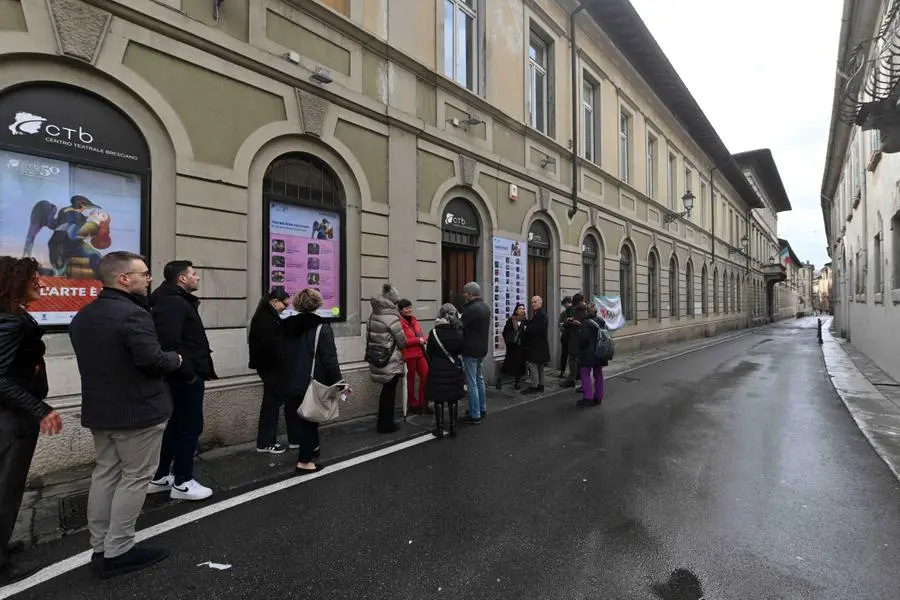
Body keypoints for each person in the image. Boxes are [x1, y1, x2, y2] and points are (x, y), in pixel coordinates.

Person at [69, 251, 182, 579]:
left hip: (101, 410)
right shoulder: (132, 314)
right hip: (138, 411)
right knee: (135, 479)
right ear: (123, 279)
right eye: (143, 274)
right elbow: (152, 360)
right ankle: (119, 549)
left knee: (105, 475)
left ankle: (101, 546)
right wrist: (175, 359)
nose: (148, 279)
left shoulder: (84, 316)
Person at [0, 257, 62, 585]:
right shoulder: (9, 321)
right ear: (14, 283)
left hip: (15, 413)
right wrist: (41, 409)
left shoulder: (13, 316)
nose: (39, 282)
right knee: (6, 489)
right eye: (33, 277)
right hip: (12, 418)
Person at [148, 260, 217, 502]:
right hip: (184, 377)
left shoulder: (172, 300)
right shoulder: (173, 302)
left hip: (183, 375)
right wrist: (189, 373)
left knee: (177, 425)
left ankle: (160, 476)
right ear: (181, 279)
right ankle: (183, 481)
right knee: (189, 426)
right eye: (194, 274)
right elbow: (168, 343)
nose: (197, 278)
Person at [277, 289, 346, 474]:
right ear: (317, 303)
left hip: (287, 378)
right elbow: (330, 359)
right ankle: (304, 461)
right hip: (310, 380)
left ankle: (312, 448)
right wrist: (340, 383)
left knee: (297, 417)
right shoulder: (322, 327)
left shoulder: (286, 325)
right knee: (309, 419)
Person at [248, 288, 290, 454]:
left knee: (272, 402)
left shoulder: (267, 316)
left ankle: (266, 441)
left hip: (268, 365)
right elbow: (272, 346)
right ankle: (266, 442)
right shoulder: (266, 319)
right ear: (274, 301)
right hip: (270, 366)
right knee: (271, 403)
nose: (285, 308)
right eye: (284, 305)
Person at [366, 283, 407, 433]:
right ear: (392, 302)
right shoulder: (392, 317)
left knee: (385, 392)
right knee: (389, 393)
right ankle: (386, 425)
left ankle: (383, 423)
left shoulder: (373, 314)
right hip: (391, 359)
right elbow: (402, 341)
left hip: (377, 357)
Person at [424, 303, 465, 439]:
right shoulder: (458, 332)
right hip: (453, 368)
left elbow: (429, 351)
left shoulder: (434, 333)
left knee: (438, 399)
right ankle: (453, 428)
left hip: (437, 368)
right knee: (453, 399)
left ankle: (440, 429)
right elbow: (461, 350)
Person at [459, 282, 491, 424]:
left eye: (465, 293)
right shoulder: (485, 307)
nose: (464, 295)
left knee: (471, 382)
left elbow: (460, 325)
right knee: (479, 379)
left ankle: (475, 414)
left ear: (470, 294)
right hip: (482, 349)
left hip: (470, 349)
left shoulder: (471, 309)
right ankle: (482, 408)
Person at [397, 299, 430, 415]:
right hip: (409, 354)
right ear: (401, 310)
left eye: (410, 307)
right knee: (410, 381)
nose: (409, 310)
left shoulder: (414, 320)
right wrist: (418, 340)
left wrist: (425, 338)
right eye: (406, 308)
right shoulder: (399, 323)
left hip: (420, 353)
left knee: (425, 375)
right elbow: (402, 341)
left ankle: (423, 402)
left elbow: (420, 333)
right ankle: (413, 404)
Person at [577, 303, 609, 407]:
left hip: (588, 353)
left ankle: (588, 397)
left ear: (586, 312)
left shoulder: (586, 323)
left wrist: (580, 347)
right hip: (600, 351)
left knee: (584, 372)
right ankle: (598, 397)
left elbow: (583, 340)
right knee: (598, 373)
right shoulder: (601, 321)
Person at [522, 296, 550, 394]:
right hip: (541, 344)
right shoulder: (539, 313)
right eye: (532, 302)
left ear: (540, 302)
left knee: (532, 364)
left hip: (537, 344)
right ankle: (540, 385)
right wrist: (526, 321)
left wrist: (526, 328)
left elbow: (536, 329)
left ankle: (534, 386)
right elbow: (534, 324)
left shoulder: (540, 314)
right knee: (540, 365)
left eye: (535, 302)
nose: (533, 304)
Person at [495, 303, 527, 391]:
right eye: (520, 309)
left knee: (519, 366)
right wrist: (509, 340)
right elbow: (505, 332)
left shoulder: (525, 320)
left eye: (523, 309)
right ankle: (499, 380)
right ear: (516, 310)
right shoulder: (511, 320)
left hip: (521, 347)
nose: (522, 310)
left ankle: (517, 383)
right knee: (507, 364)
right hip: (512, 346)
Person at [563, 293, 587, 390]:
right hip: (580, 338)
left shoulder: (575, 310)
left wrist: (570, 322)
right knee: (577, 360)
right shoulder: (583, 310)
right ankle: (578, 380)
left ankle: (575, 380)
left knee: (573, 360)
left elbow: (584, 324)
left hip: (575, 338)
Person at [558, 296, 572, 377]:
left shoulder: (574, 311)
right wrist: (563, 327)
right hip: (565, 336)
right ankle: (562, 372)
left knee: (572, 356)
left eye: (565, 304)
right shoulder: (564, 313)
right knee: (564, 355)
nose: (565, 306)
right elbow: (559, 323)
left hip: (572, 337)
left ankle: (572, 373)